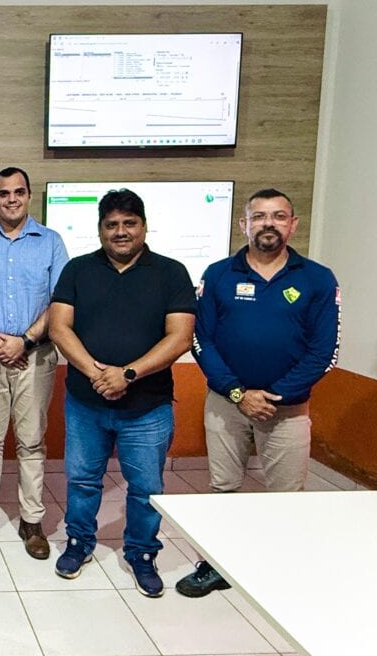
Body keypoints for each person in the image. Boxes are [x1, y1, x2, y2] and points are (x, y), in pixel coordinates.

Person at [177, 188, 340, 598]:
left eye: (279, 216)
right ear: (243, 224)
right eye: (260, 216)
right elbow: (202, 340)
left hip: (288, 410)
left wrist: (275, 396)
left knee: (285, 498)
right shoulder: (218, 275)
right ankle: (216, 565)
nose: (269, 223)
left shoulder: (318, 279)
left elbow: (324, 351)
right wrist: (237, 393)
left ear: (292, 224)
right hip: (226, 404)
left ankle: (278, 572)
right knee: (224, 488)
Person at [49, 190, 195, 598]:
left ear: (144, 226)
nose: (120, 231)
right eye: (111, 224)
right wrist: (97, 373)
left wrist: (127, 374)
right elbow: (60, 328)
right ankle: (78, 543)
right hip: (85, 403)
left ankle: (142, 553)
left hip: (146, 407)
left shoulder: (171, 272)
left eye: (129, 223)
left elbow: (181, 336)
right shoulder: (78, 270)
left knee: (146, 486)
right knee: (81, 480)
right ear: (100, 230)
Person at [0, 166, 68, 560]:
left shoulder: (51, 242)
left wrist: (24, 340)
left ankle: (32, 520)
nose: (12, 199)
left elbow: (60, 302)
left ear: (29, 195)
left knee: (31, 440)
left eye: (18, 192)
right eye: (4, 193)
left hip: (35, 357)